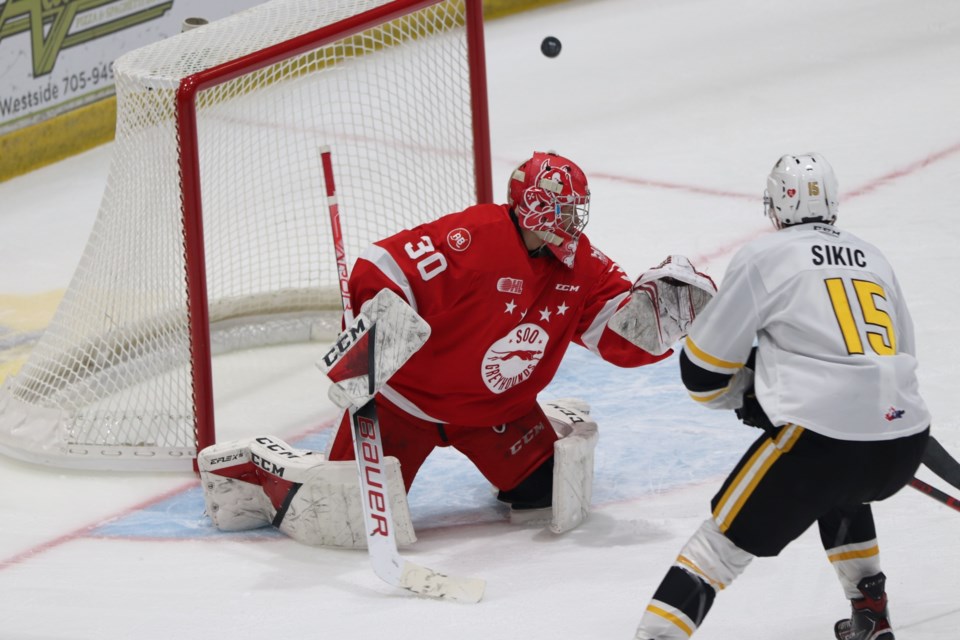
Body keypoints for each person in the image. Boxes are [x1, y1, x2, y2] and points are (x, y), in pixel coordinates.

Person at [197, 150, 715, 548]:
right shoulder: (473, 239)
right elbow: (382, 268)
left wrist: (656, 321)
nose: (575, 219)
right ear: (533, 206)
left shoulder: (582, 267)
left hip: (497, 414)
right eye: (564, 208)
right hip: (406, 406)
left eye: (577, 208)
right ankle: (258, 469)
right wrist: (376, 320)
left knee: (548, 493)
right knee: (345, 518)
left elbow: (613, 333)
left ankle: (541, 423)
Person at [631, 153, 930, 640]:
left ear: (775, 206)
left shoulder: (763, 256)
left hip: (819, 444)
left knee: (718, 547)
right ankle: (872, 617)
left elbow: (704, 374)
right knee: (844, 493)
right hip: (903, 442)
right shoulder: (874, 256)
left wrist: (751, 396)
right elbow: (899, 363)